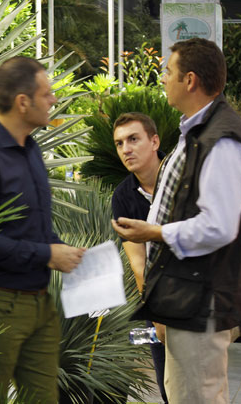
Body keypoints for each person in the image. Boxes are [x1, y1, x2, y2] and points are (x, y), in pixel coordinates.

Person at [112, 38, 241, 404]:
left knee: (196, 396)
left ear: (189, 80)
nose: (163, 79)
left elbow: (220, 226)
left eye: (168, 71)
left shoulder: (219, 138)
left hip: (198, 300)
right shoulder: (199, 132)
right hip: (188, 299)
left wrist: (154, 231)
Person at [0, 56, 85, 402]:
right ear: (23, 102)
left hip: (39, 304)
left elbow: (32, 226)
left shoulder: (31, 149)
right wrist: (46, 254)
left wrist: (62, 250)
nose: (53, 100)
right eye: (47, 94)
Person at [111, 112, 168, 403]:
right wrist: (158, 315)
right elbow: (138, 264)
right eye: (120, 143)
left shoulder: (180, 177)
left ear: (154, 140)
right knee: (167, 386)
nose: (126, 149)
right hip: (158, 301)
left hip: (197, 294)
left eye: (133, 139)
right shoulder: (124, 196)